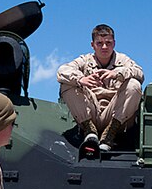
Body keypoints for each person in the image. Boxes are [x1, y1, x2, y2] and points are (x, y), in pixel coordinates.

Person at [56, 24, 144, 152]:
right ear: (93, 45)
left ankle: (109, 135)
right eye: (100, 43)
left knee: (134, 85)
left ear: (114, 43)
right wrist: (81, 79)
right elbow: (62, 70)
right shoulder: (85, 60)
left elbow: (139, 72)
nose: (104, 47)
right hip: (91, 111)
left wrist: (118, 73)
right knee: (67, 84)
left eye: (108, 43)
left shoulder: (123, 60)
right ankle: (89, 129)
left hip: (114, 114)